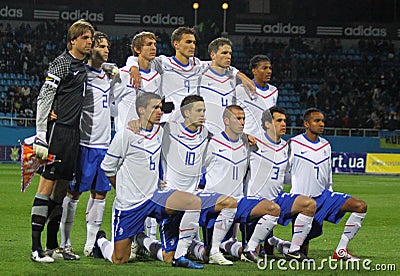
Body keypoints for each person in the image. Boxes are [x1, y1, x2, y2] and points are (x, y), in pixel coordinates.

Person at [95, 92, 204, 269]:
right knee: (120, 259)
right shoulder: (126, 135)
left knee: (192, 202)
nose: (160, 111)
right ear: (141, 110)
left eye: (161, 107)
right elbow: (107, 167)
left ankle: (179, 255)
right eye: (155, 108)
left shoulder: (162, 131)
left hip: (155, 197)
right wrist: (121, 189)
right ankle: (100, 241)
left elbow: (188, 126)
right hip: (130, 204)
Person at [30, 19, 94, 263]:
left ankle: (52, 244)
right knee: (45, 188)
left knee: (61, 191)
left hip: (73, 135)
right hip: (57, 133)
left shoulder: (83, 65)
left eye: (90, 38)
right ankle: (36, 248)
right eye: (85, 38)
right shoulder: (61, 64)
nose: (89, 42)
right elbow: (44, 98)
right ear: (73, 40)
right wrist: (40, 135)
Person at [160, 95, 238, 265]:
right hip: (171, 197)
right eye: (199, 110)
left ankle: (213, 251)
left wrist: (245, 135)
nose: (203, 114)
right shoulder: (168, 130)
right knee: (166, 257)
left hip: (194, 196)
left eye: (204, 110)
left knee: (230, 203)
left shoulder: (205, 133)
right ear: (186, 113)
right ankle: (142, 240)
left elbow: (227, 136)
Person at [58, 31, 116, 258]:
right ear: (91, 49)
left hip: (105, 146)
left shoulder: (111, 76)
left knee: (100, 194)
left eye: (107, 46)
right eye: (101, 46)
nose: (106, 50)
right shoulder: (81, 75)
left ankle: (91, 244)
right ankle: (66, 242)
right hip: (84, 144)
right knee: (73, 194)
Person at [127, 26, 255, 123]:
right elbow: (137, 58)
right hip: (169, 121)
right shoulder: (163, 63)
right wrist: (133, 68)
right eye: (188, 42)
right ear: (176, 44)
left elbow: (222, 65)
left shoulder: (198, 65)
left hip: (192, 122)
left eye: (194, 42)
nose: (193, 46)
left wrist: (242, 76)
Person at [203, 105, 280, 264]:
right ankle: (214, 251)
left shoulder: (247, 143)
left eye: (244, 118)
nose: (242, 121)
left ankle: (249, 249)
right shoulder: (213, 143)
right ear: (226, 120)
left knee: (273, 209)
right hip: (215, 201)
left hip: (238, 201)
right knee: (205, 248)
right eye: (238, 118)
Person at [289, 107, 367, 261]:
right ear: (306, 124)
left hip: (324, 197)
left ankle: (341, 250)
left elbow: (327, 172)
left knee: (360, 206)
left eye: (323, 121)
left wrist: (330, 190)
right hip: (303, 201)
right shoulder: (294, 143)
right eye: (317, 121)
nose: (321, 124)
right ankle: (278, 246)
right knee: (301, 252)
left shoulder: (326, 145)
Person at [245, 106, 316, 260]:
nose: (284, 124)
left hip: (277, 199)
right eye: (279, 120)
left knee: (309, 204)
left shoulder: (287, 146)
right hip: (255, 202)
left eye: (284, 120)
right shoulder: (253, 142)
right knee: (255, 250)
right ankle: (259, 245)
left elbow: (287, 175)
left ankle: (294, 250)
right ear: (267, 124)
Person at [112, 31, 161, 133]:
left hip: (147, 138)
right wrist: (121, 118)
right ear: (137, 49)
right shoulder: (124, 74)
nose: (153, 48)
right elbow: (106, 101)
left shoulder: (157, 77)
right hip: (126, 137)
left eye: (154, 44)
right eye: (149, 44)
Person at [197, 37, 239, 135]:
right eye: (224, 53)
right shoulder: (200, 74)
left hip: (227, 133)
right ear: (213, 55)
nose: (228, 56)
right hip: (205, 132)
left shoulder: (235, 78)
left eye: (230, 53)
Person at [235, 55, 278, 138]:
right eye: (264, 68)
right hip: (246, 139)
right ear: (254, 71)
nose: (269, 71)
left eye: (270, 68)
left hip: (266, 141)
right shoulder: (241, 89)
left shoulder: (274, 91)